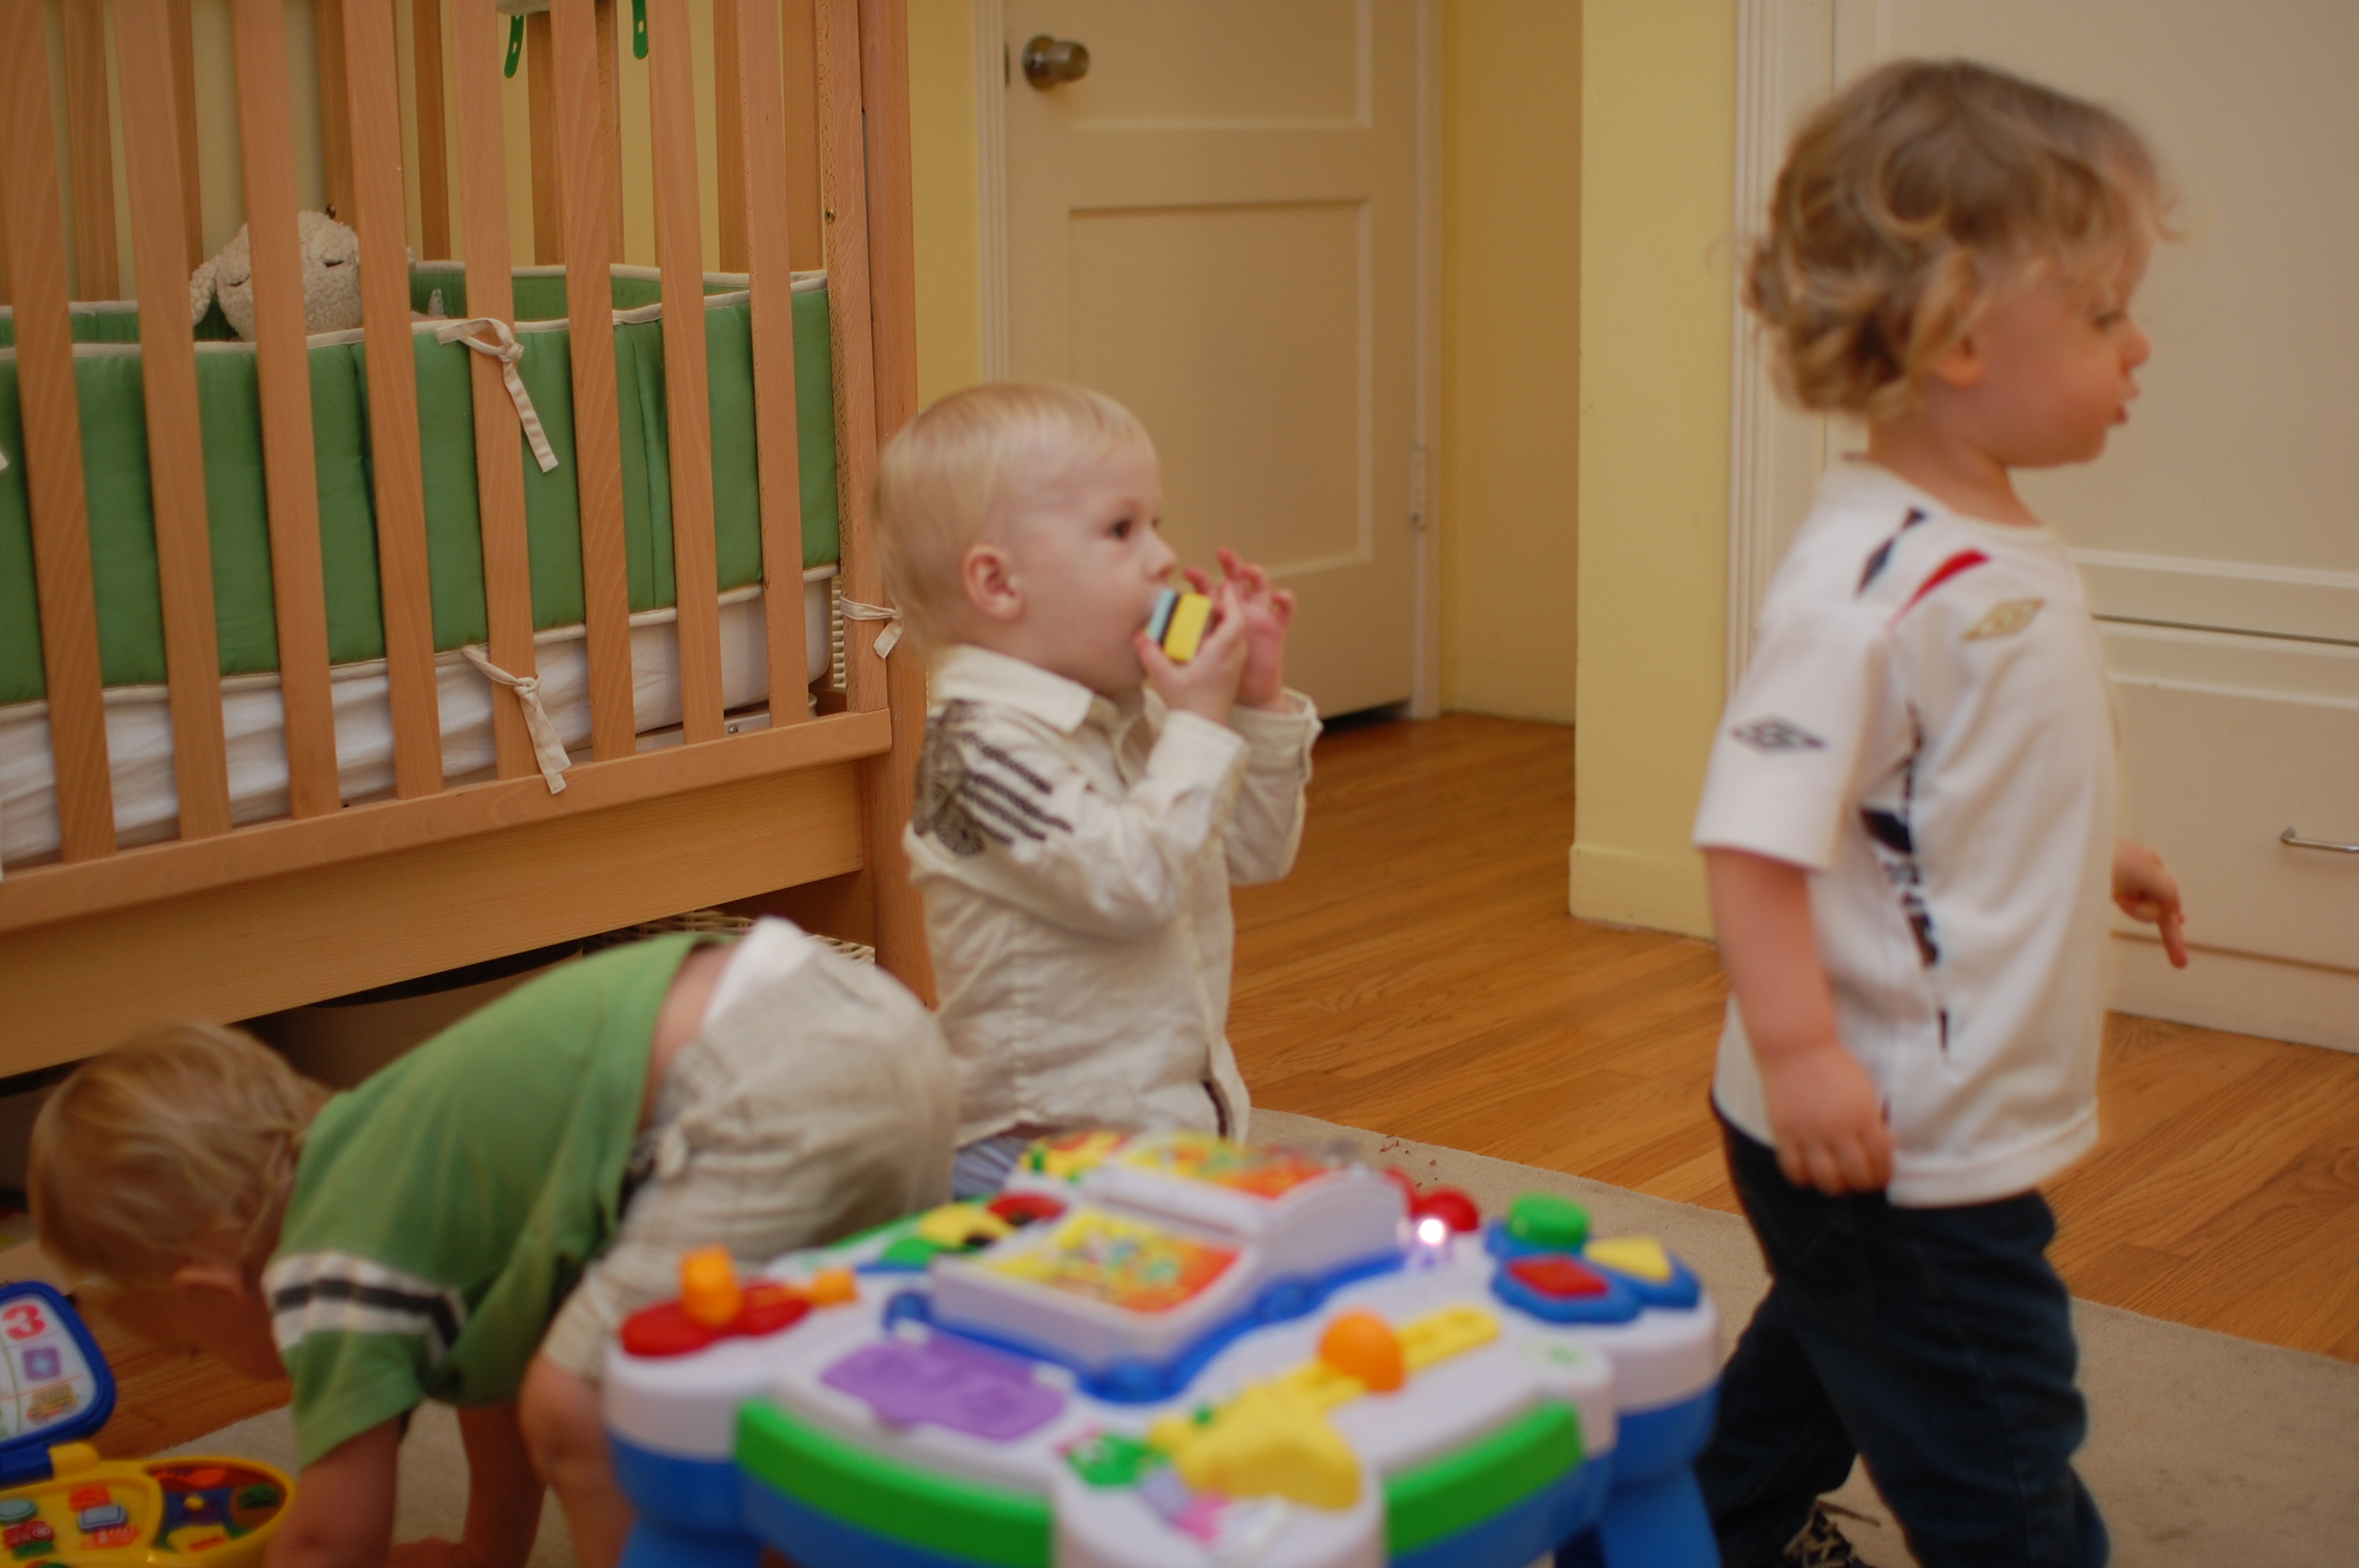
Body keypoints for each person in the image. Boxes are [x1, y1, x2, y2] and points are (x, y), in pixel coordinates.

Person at [1687, 60, 2189, 1568]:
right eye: (2104, 314)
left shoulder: (1987, 544)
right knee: (1998, 1447)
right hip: (1886, 1121)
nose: (2138, 344)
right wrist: (1801, 1054)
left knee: (1831, 1348)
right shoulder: (1870, 585)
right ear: (1961, 337)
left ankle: (1694, 1534)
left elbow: (1941, 780)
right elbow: (1753, 834)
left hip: (1911, 1108)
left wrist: (2088, 851)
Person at [29, 921, 954, 1568]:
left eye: (194, 1346)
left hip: (763, 1079)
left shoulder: (320, 1264)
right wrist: (484, 1551)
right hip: (876, 1024)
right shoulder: (401, 1180)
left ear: (208, 1285)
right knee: (785, 1366)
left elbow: (334, 1536)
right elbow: (492, 1382)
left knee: (580, 1399)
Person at [873, 382, 1319, 1199]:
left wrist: (1253, 706)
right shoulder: (978, 752)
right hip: (1029, 1155)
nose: (1161, 557)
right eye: (1120, 529)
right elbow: (1135, 885)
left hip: (1159, 1131)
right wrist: (1199, 726)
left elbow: (1255, 853)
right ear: (998, 583)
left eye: (1156, 523)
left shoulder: (1135, 717)